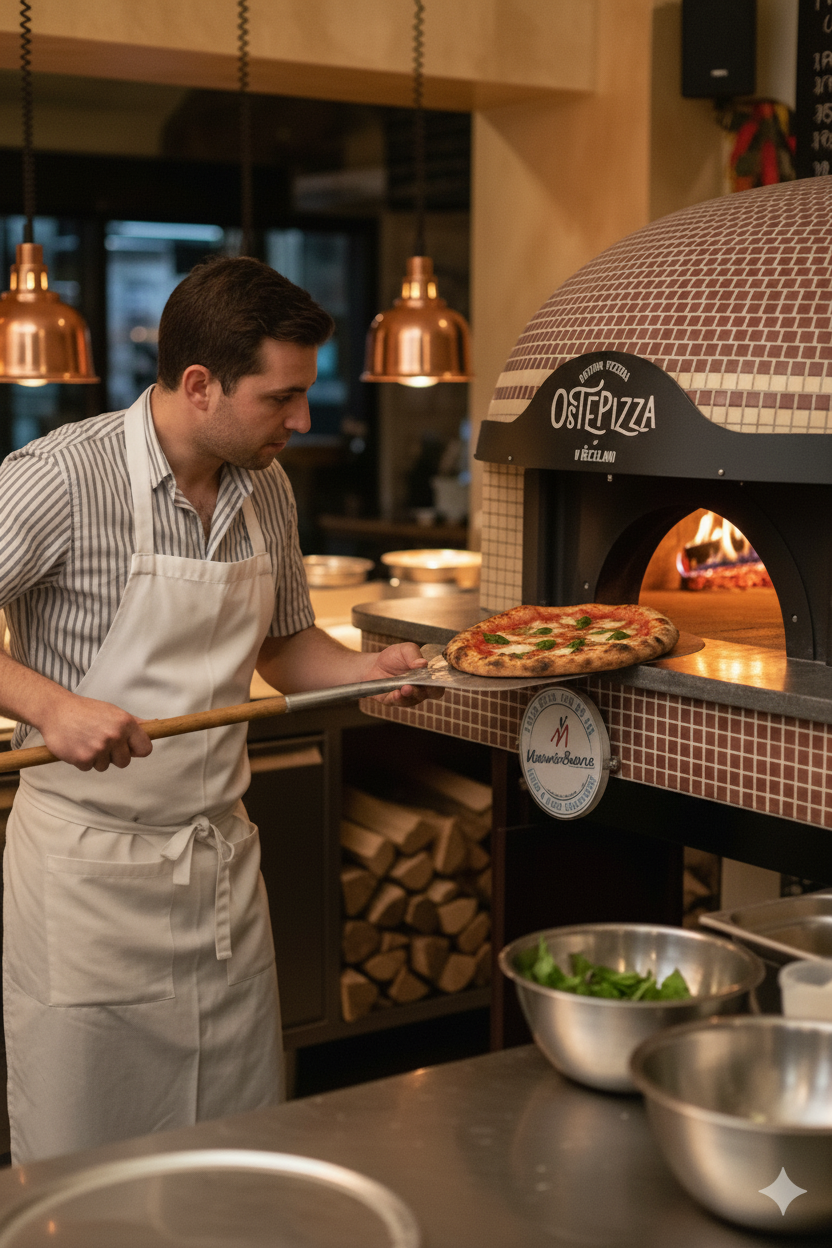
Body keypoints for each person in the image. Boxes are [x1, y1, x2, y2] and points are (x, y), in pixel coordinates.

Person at [0, 256, 439, 1164]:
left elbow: (282, 647)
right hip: (90, 882)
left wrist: (366, 671)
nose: (302, 420)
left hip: (219, 874)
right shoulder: (58, 480)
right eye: (282, 397)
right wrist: (53, 707)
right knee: (89, 1167)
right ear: (200, 385)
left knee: (234, 1150)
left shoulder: (264, 486)